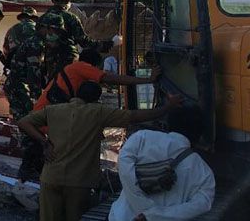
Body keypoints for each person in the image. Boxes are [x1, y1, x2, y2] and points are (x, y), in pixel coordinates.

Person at [18, 81, 183, 221]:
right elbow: (135, 116)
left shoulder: (53, 110)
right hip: (79, 182)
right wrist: (167, 107)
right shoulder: (98, 112)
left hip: (50, 178)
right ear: (96, 99)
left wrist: (44, 142)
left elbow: (24, 122)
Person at [109, 107, 215, 221]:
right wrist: (154, 215)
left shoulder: (141, 138)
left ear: (169, 123)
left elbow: (124, 168)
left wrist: (141, 204)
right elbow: (202, 204)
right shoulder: (204, 172)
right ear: (200, 134)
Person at [33, 48, 160, 112]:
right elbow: (111, 78)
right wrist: (147, 80)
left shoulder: (72, 70)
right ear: (92, 65)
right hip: (44, 121)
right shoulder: (80, 67)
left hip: (46, 118)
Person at [4, 13, 65, 121]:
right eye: (56, 31)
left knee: (23, 122)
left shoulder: (36, 41)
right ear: (46, 28)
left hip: (16, 86)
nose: (56, 34)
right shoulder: (36, 45)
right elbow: (33, 73)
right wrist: (37, 98)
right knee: (28, 122)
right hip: (21, 88)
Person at [43, 0, 113, 78]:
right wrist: (106, 45)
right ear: (67, 1)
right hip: (67, 60)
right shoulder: (71, 18)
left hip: (49, 60)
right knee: (68, 86)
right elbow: (84, 41)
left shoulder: (43, 19)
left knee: (53, 86)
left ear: (53, 1)